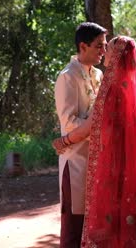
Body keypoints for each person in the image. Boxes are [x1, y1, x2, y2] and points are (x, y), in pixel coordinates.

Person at [53, 36, 136, 247]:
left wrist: (64, 141)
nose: (104, 53)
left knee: (115, 220)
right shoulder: (130, 88)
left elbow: (91, 125)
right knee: (131, 217)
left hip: (113, 166)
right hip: (133, 165)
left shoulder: (110, 88)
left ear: (117, 56)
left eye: (108, 49)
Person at [54, 22, 108, 248]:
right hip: (75, 162)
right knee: (74, 227)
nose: (103, 52)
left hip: (99, 162)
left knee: (95, 225)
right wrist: (98, 129)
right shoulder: (67, 77)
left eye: (104, 46)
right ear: (83, 46)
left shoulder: (99, 74)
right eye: (99, 46)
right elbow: (68, 122)